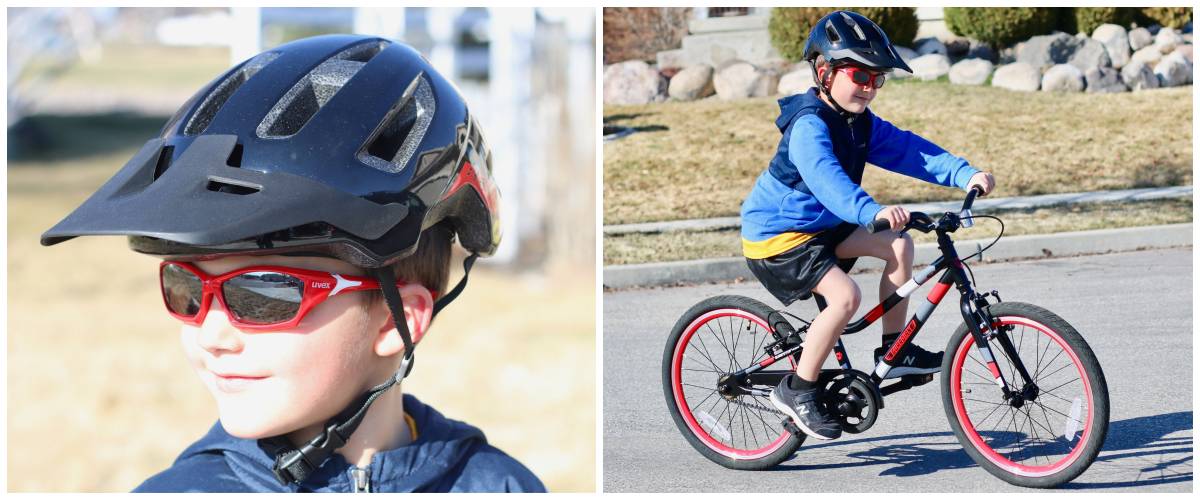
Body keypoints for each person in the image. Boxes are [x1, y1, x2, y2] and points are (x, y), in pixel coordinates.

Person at [41, 34, 544, 493]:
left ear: (398, 320)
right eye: (186, 289)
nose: (211, 336)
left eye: (262, 295)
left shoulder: (498, 485)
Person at [739, 11, 997, 442]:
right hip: (778, 237)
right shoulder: (808, 126)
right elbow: (826, 179)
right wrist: (868, 210)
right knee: (845, 297)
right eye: (860, 74)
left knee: (898, 245)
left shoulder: (857, 122)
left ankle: (894, 350)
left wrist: (963, 172)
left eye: (878, 79)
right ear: (824, 71)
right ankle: (797, 389)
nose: (870, 87)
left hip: (823, 226)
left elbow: (908, 150)